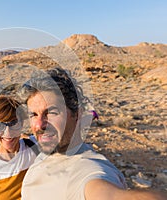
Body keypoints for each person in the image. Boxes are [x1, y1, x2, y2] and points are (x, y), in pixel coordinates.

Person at [18, 67, 166, 200]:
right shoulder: (47, 152)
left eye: (52, 113)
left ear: (77, 115)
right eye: (33, 115)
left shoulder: (86, 171)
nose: (39, 125)